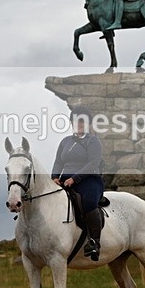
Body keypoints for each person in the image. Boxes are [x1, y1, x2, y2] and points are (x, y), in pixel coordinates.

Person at [51, 105, 104, 261]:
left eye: (82, 121)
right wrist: (54, 176)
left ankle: (94, 242)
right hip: (65, 181)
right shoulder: (65, 141)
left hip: (89, 180)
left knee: (88, 202)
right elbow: (58, 161)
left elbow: (93, 163)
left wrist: (75, 178)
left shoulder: (93, 141)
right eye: (76, 121)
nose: (79, 124)